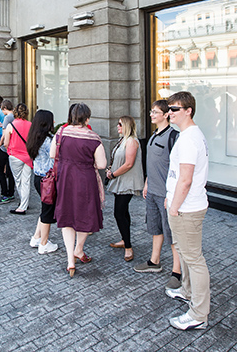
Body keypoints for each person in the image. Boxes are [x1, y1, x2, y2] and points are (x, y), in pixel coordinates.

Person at [164, 91, 210, 331]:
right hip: (183, 205)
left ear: (188, 110)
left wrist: (174, 205)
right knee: (185, 252)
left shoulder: (190, 138)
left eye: (174, 109)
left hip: (187, 208)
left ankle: (198, 314)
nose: (169, 113)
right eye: (168, 109)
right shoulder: (188, 135)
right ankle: (187, 290)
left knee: (194, 258)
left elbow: (186, 179)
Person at [52, 103, 107, 278]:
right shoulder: (93, 137)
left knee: (67, 217)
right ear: (87, 118)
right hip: (86, 180)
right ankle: (79, 249)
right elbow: (102, 165)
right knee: (86, 215)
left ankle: (70, 261)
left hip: (66, 178)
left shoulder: (61, 133)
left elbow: (53, 154)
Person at [135, 100, 182, 290]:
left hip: (166, 195)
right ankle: (154, 262)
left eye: (155, 112)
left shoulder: (174, 137)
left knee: (172, 235)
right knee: (155, 229)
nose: (151, 115)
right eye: (151, 111)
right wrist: (146, 183)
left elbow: (177, 169)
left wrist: (172, 196)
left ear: (166, 115)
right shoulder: (154, 135)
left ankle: (177, 272)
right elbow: (152, 164)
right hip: (152, 192)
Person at [106, 115, 144, 262]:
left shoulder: (132, 141)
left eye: (120, 124)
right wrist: (111, 170)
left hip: (127, 183)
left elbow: (129, 164)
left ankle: (128, 246)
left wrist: (113, 174)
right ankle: (124, 239)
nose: (117, 126)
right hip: (120, 181)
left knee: (119, 213)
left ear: (127, 126)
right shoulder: (122, 140)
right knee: (123, 212)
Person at [26, 109, 58, 254]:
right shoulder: (48, 141)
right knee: (47, 213)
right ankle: (44, 244)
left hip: (38, 178)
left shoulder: (34, 138)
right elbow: (54, 162)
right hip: (48, 180)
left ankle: (36, 237)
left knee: (45, 209)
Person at [2, 103, 32, 214]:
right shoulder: (30, 125)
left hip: (15, 156)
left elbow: (6, 143)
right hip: (28, 156)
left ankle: (22, 205)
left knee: (18, 181)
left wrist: (9, 150)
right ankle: (25, 203)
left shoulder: (11, 125)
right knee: (26, 181)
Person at [0, 99, 16, 204]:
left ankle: (4, 193)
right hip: (13, 147)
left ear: (4, 108)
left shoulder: (7, 117)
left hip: (5, 148)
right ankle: (11, 192)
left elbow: (4, 133)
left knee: (0, 171)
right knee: (10, 171)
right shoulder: (15, 117)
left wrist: (0, 144)